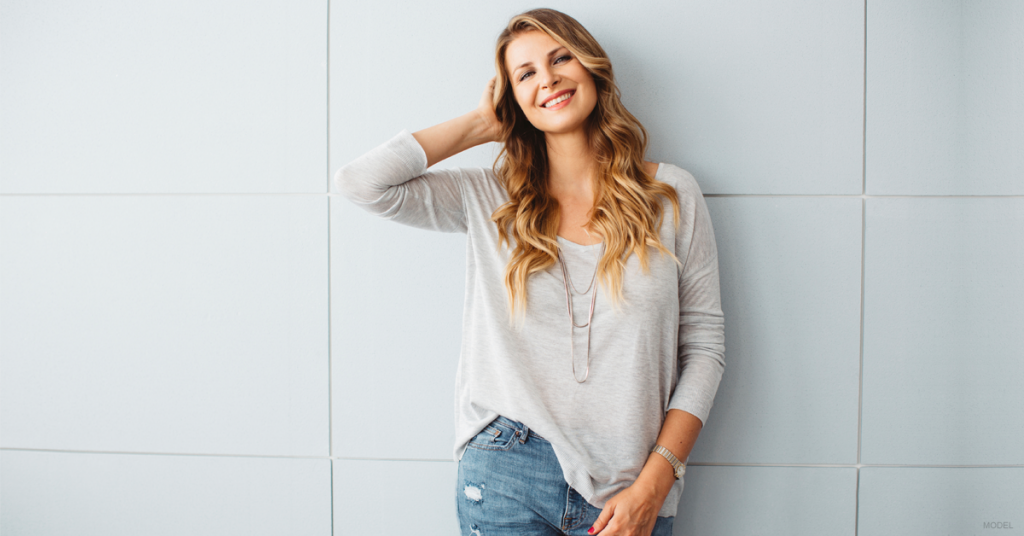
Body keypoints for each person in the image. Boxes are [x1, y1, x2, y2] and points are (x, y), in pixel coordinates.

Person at [333, 8, 725, 536]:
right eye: (526, 74)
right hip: (506, 470)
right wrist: (479, 126)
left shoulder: (672, 195)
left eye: (561, 58)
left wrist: (656, 483)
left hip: (631, 488)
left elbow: (704, 349)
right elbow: (361, 184)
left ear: (591, 69)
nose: (549, 79)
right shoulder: (490, 199)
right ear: (510, 98)